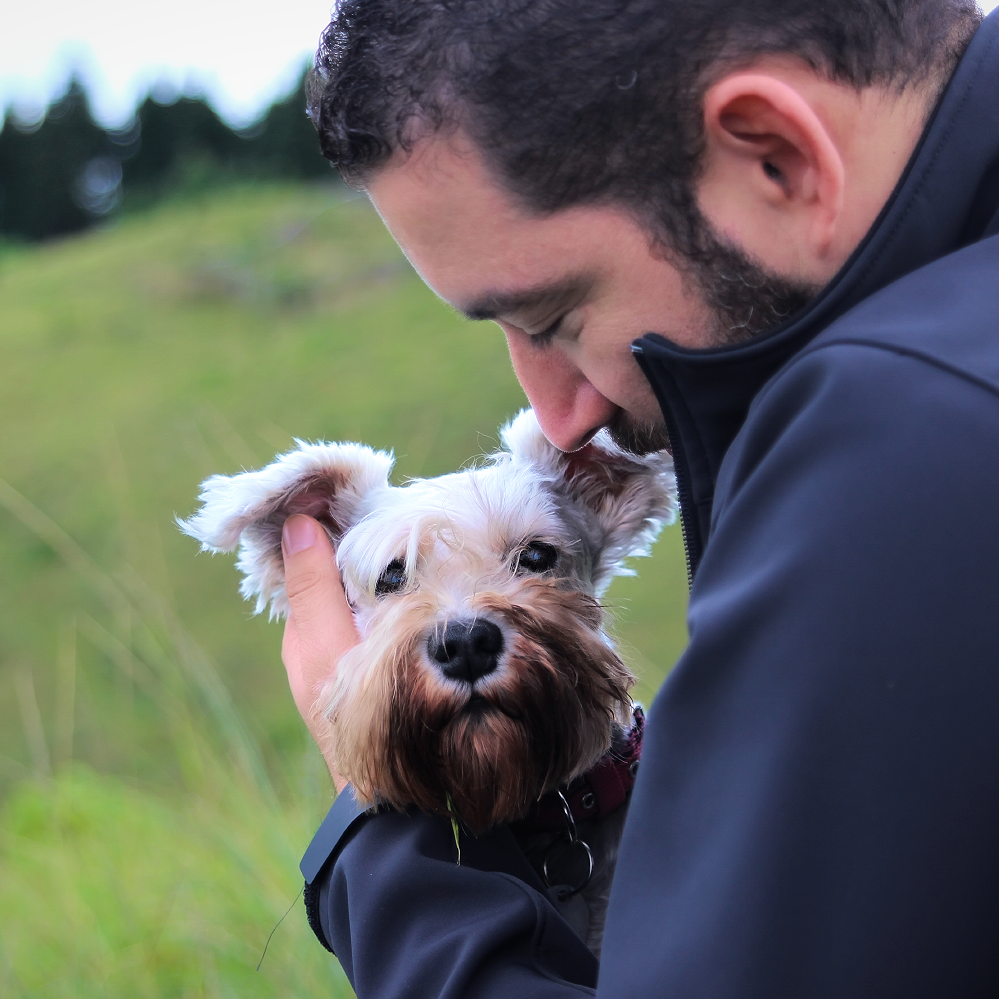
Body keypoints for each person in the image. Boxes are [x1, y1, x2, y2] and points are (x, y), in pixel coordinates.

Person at [280, 1, 999, 995]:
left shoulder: (903, 453)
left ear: (775, 158)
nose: (561, 415)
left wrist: (379, 843)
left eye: (556, 316)